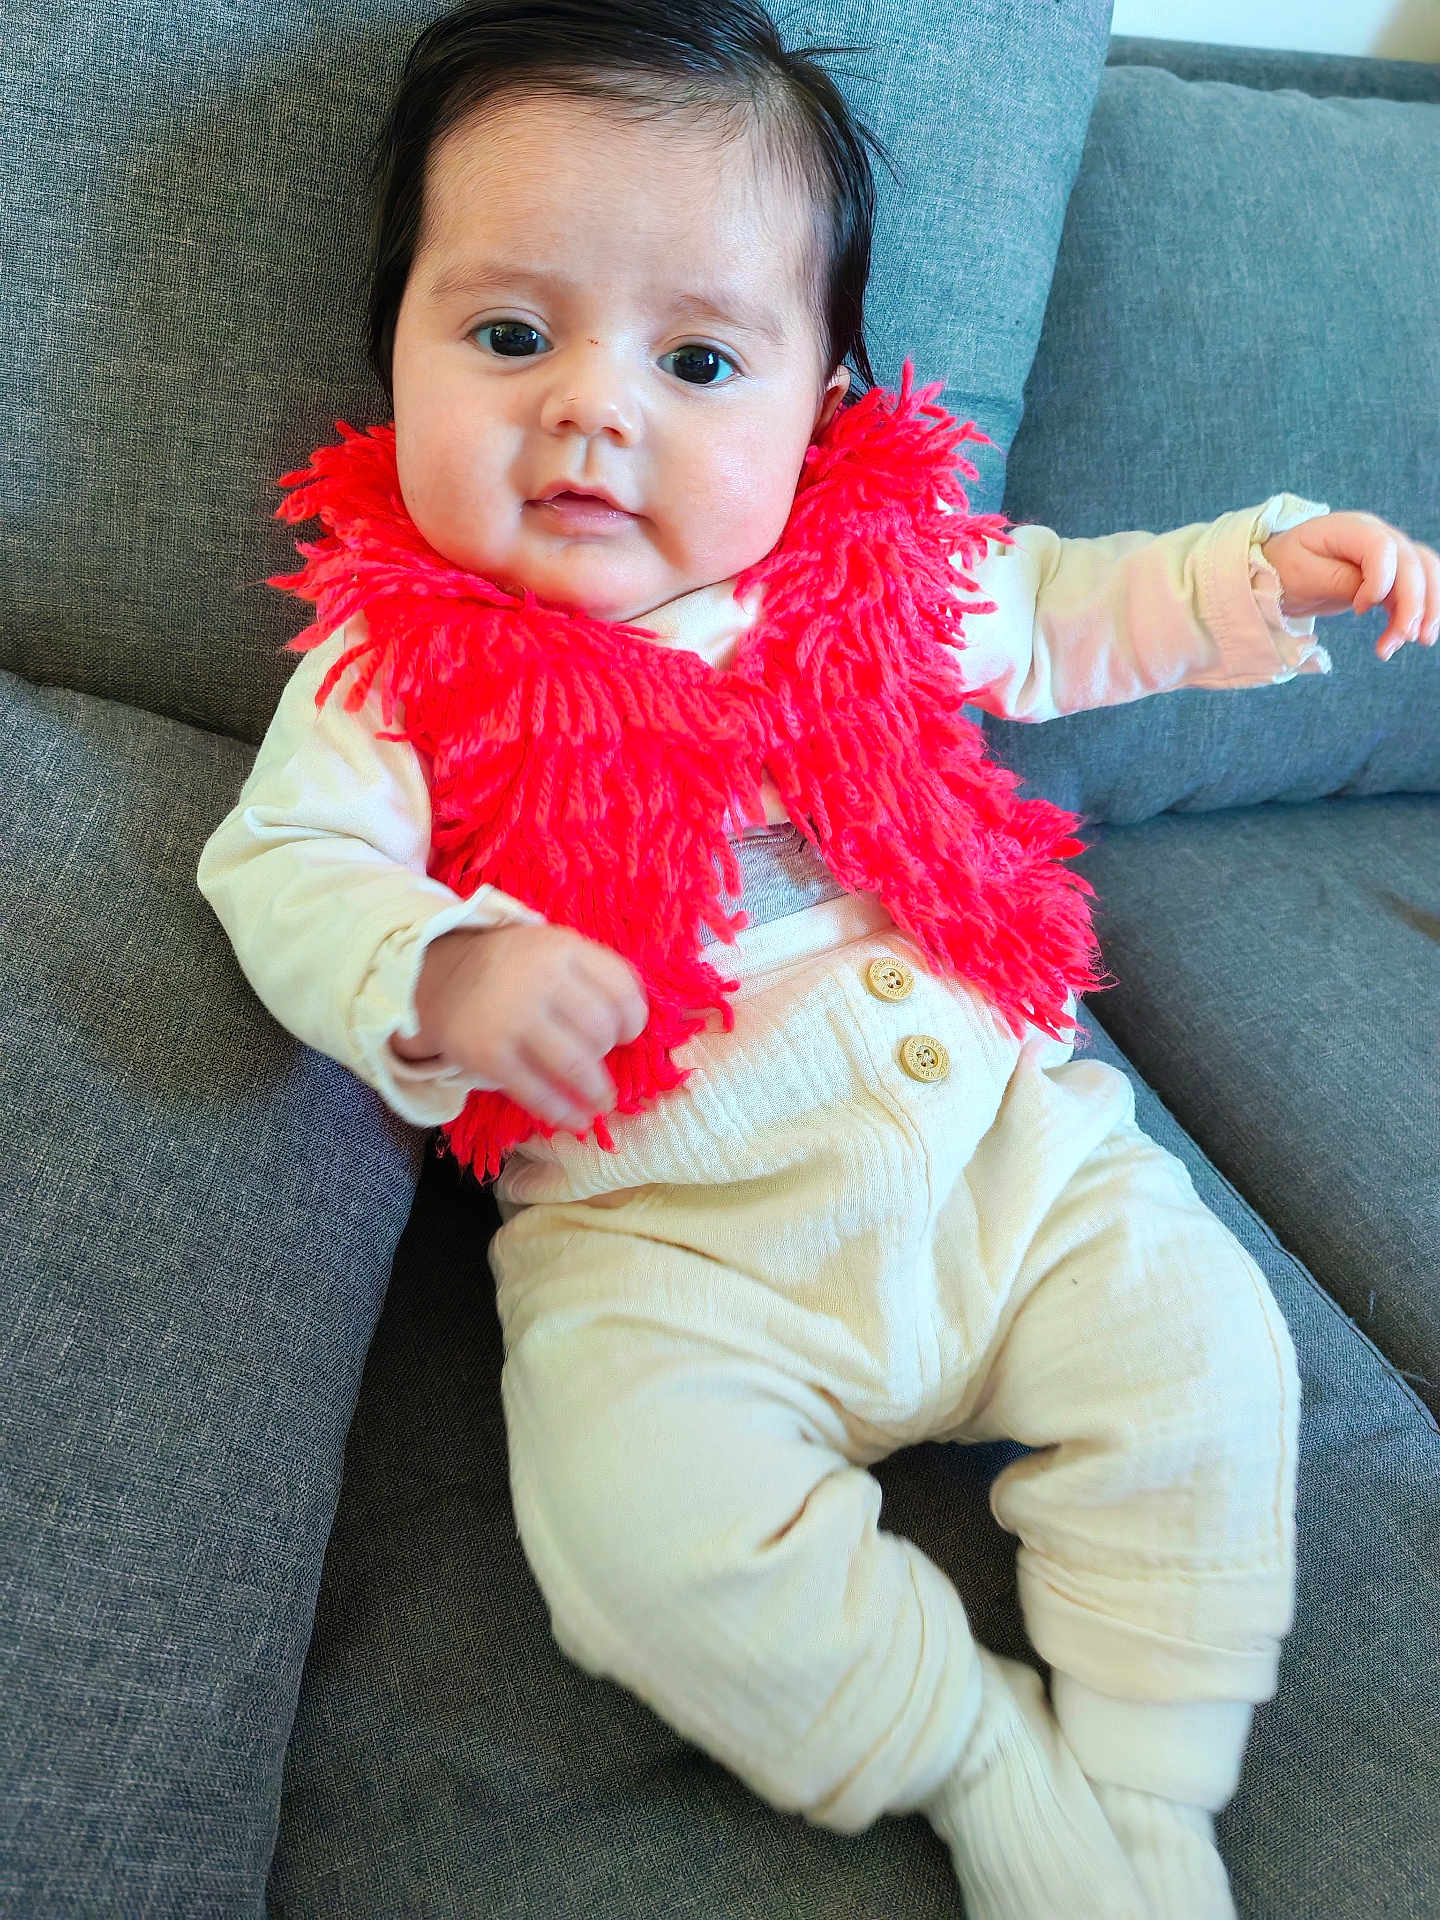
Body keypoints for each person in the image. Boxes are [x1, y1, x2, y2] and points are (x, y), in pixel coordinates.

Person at [196, 3, 1439, 1914]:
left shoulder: (861, 571)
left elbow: (1055, 611)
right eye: (509, 335)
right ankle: (973, 1755)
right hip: (667, 1245)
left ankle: (1144, 1782)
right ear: (395, 353)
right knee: (631, 1540)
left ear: (823, 401)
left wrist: (1246, 576)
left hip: (1009, 1166)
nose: (591, 408)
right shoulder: (390, 663)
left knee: (1214, 1358)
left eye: (697, 357)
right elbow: (285, 865)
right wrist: (437, 972)